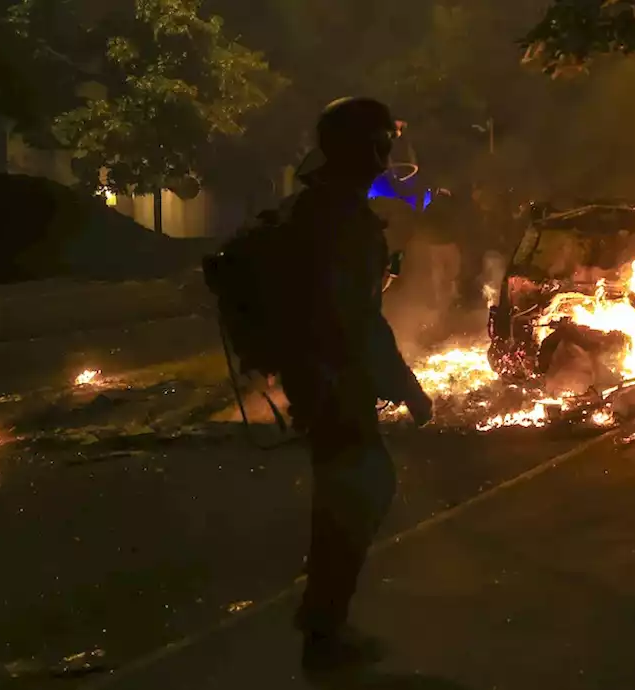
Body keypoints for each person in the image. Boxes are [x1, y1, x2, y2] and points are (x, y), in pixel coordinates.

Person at [267, 96, 434, 674]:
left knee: (349, 494)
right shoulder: (340, 218)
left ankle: (322, 620)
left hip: (318, 378)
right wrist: (407, 387)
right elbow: (355, 319)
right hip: (334, 381)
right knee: (356, 493)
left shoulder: (319, 208)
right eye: (384, 142)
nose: (388, 153)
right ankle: (323, 632)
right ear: (368, 147)